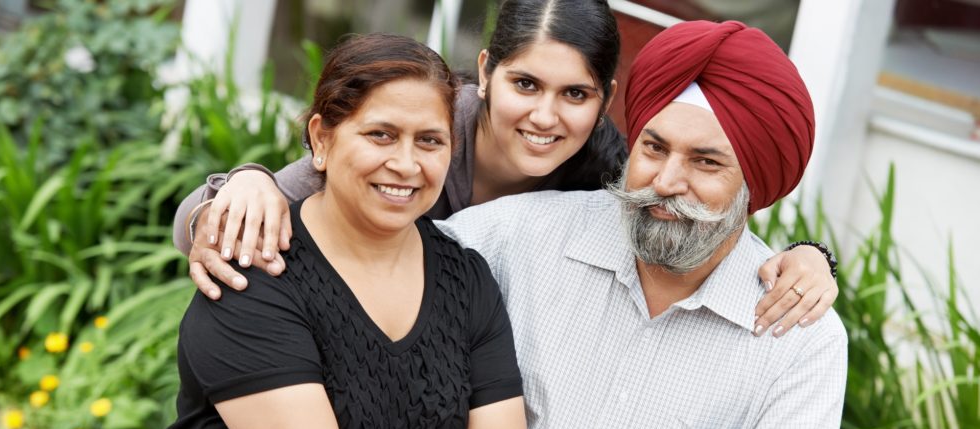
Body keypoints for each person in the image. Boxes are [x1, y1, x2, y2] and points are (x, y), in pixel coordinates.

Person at [70, 34, 644, 429]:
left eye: (430, 141)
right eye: (381, 135)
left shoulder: (467, 282)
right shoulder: (258, 264)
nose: (406, 163)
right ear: (321, 139)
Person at [436, 20, 847, 429]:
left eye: (705, 162)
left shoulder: (799, 337)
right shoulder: (510, 239)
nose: (667, 180)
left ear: (754, 183)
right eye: (654, 148)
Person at [171, 0, 838, 335]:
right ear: (487, 71)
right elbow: (208, 220)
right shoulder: (423, 135)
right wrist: (245, 186)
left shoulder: (602, 178)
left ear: (605, 100)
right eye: (526, 85)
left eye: (573, 95)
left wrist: (808, 255)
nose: (545, 117)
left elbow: (689, 231)